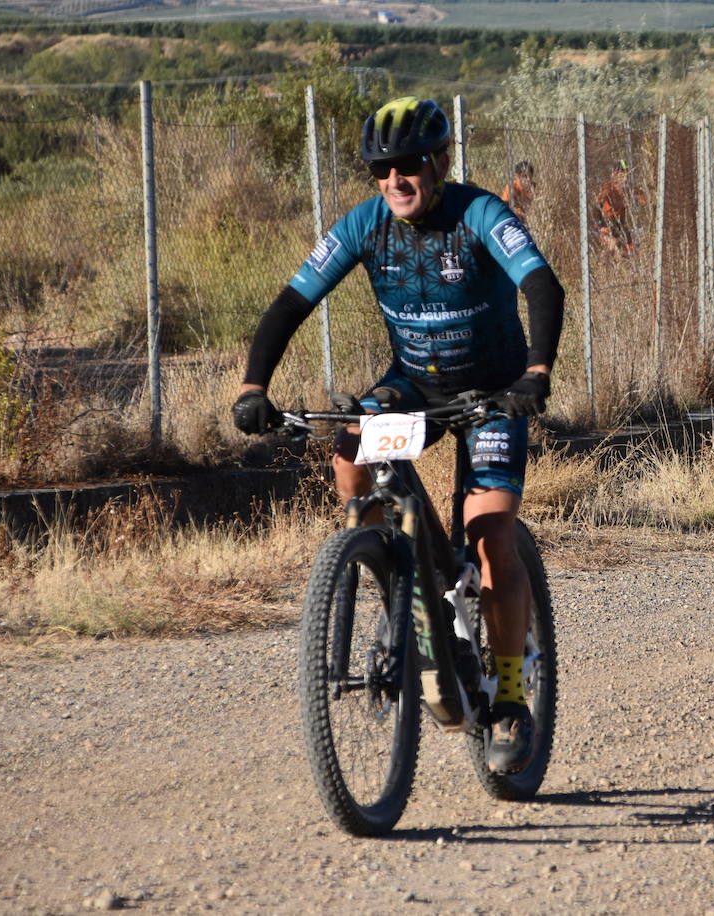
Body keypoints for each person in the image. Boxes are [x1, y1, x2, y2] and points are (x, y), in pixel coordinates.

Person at [230, 96, 566, 774]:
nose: (394, 179)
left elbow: (542, 285)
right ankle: (394, 570)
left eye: (408, 164)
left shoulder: (479, 214)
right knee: (350, 448)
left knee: (490, 535)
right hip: (414, 387)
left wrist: (536, 372)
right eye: (380, 169)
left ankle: (508, 699)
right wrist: (252, 387)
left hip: (492, 394)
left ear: (440, 160)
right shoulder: (365, 225)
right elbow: (291, 303)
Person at [592, 159, 645, 255]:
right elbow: (596, 206)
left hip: (620, 227)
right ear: (614, 175)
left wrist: (642, 196)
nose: (624, 179)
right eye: (620, 175)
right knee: (613, 247)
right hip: (607, 225)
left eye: (625, 175)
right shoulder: (608, 188)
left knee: (628, 249)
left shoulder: (627, 189)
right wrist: (601, 226)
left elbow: (640, 197)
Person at [500, 159, 535, 223]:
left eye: (530, 176)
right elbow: (505, 207)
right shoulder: (511, 187)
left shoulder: (534, 187)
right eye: (525, 176)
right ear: (517, 176)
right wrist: (523, 214)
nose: (528, 179)